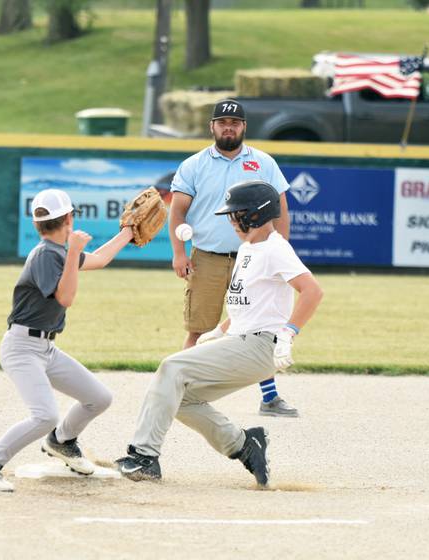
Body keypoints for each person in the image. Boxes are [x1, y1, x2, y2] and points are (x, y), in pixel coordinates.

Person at [116, 180, 323, 488]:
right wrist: (218, 330)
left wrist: (288, 332)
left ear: (255, 214)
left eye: (235, 214)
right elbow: (245, 304)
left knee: (172, 367)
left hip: (261, 345)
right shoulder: (248, 249)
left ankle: (144, 457)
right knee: (180, 397)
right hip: (240, 340)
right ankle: (242, 445)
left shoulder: (276, 248)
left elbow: (312, 291)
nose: (231, 220)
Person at [0, 188, 135, 492]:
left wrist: (128, 233)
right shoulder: (46, 254)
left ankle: (62, 441)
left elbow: (99, 259)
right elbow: (66, 297)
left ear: (37, 223)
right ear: (69, 218)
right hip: (21, 349)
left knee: (99, 398)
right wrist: (72, 251)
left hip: (45, 349)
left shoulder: (57, 252)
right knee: (45, 415)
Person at [169, 98, 299, 418]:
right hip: (208, 256)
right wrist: (178, 253)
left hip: (255, 256)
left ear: (243, 127)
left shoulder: (263, 162)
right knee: (200, 326)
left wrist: (279, 247)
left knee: (259, 327)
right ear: (212, 126)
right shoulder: (194, 164)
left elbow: (280, 207)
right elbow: (177, 210)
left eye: (235, 123)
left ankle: (269, 398)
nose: (229, 128)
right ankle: (179, 387)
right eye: (223, 123)